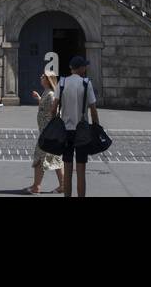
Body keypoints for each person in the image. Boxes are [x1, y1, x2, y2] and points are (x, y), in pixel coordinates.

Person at [50, 54, 99, 199]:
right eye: (85, 66)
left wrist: (54, 124)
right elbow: (93, 108)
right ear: (81, 68)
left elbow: (54, 108)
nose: (86, 68)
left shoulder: (62, 82)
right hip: (82, 131)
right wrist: (96, 127)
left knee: (68, 167)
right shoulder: (86, 83)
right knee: (81, 169)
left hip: (66, 130)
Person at [27, 72, 65, 194]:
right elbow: (45, 108)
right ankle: (63, 185)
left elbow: (55, 111)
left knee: (39, 158)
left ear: (48, 80)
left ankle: (36, 186)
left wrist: (51, 129)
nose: (40, 78)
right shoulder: (46, 93)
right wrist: (39, 98)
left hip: (48, 134)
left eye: (43, 77)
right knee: (56, 159)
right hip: (46, 133)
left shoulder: (51, 95)